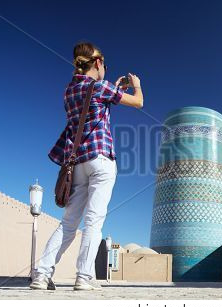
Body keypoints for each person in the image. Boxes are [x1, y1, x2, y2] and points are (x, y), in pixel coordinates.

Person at [30, 42, 143, 291]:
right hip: (101, 160)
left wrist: (113, 88)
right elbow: (138, 102)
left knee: (68, 224)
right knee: (94, 221)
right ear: (99, 63)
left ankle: (41, 274)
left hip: (78, 163)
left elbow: (92, 106)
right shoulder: (100, 87)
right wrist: (136, 85)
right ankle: (84, 277)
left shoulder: (70, 90)